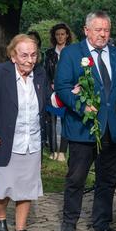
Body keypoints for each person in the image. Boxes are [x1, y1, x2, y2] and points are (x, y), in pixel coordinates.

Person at [54, 11, 116, 231]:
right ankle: (70, 221)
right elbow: (63, 87)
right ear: (86, 30)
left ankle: (102, 224)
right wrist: (81, 106)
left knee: (107, 180)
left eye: (106, 30)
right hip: (82, 128)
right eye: (98, 29)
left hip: (112, 128)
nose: (103, 34)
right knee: (76, 178)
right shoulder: (71, 53)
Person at [0, 35, 50, 231]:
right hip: (5, 141)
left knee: (26, 187)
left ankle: (21, 228)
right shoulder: (0, 73)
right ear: (13, 56)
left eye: (33, 55)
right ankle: (1, 217)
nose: (30, 60)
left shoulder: (39, 73)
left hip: (31, 140)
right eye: (24, 55)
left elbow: (48, 99)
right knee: (4, 187)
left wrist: (69, 96)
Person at [45, 23, 74, 161]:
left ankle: (62, 151)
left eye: (63, 34)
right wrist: (50, 84)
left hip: (68, 91)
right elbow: (46, 72)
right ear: (54, 36)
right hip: (52, 91)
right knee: (51, 120)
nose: (60, 36)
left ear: (67, 35)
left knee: (65, 120)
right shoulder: (49, 53)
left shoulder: (72, 52)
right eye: (57, 34)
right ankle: (52, 150)